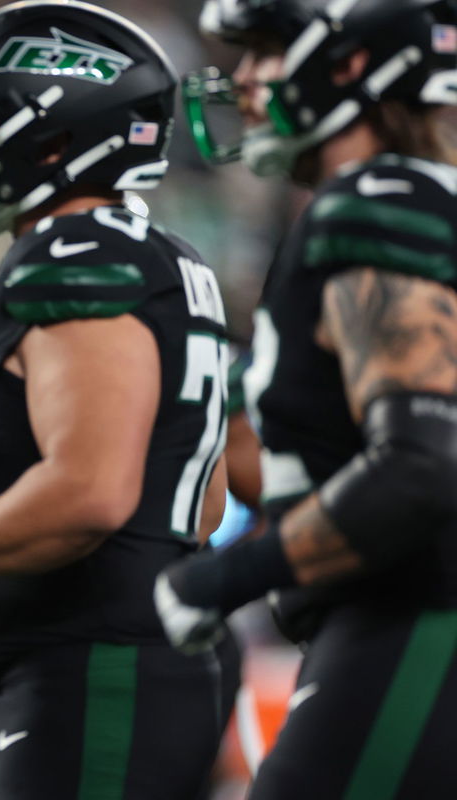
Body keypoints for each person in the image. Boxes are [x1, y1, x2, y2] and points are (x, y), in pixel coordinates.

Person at [0, 3, 240, 798]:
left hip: (96, 672)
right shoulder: (163, 255)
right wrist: (1, 607)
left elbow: (90, 495)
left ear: (57, 137)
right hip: (88, 662)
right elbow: (195, 507)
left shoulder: (77, 257)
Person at [153, 0, 457, 796]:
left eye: (268, 52)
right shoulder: (417, 201)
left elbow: (420, 467)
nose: (246, 79)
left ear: (353, 63)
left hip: (411, 624)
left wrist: (222, 580)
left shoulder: (377, 205)